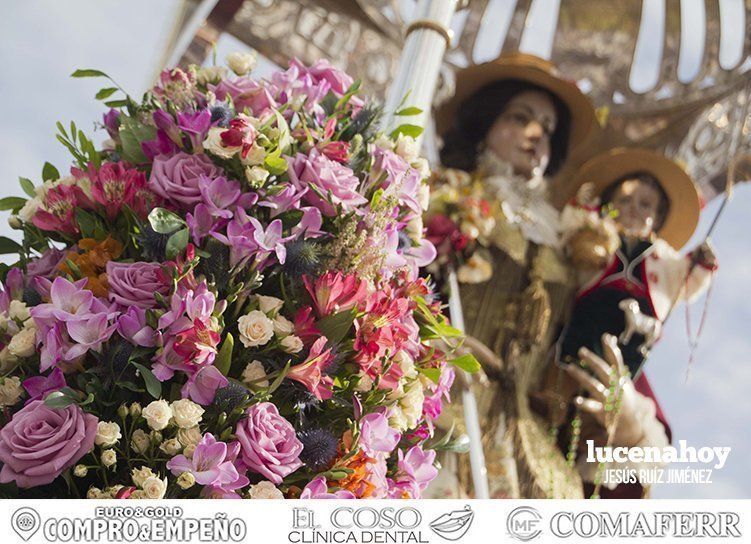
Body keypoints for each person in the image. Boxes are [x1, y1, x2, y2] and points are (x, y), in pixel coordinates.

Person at [424, 53, 674, 499]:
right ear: (484, 124)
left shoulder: (573, 244)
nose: (537, 136)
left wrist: (618, 405)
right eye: (520, 117)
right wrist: (430, 341)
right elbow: (384, 293)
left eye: (549, 130)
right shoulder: (439, 195)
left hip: (525, 453)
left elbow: (594, 350)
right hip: (435, 415)